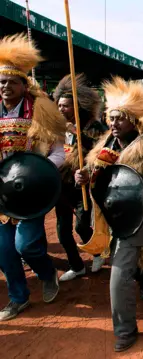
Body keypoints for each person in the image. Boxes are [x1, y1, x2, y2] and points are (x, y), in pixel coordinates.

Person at [75, 77, 143, 351]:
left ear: (133, 121)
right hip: (110, 217)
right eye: (110, 119)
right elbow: (96, 177)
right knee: (128, 267)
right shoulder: (106, 146)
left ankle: (125, 330)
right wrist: (84, 176)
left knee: (119, 273)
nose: (113, 124)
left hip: (139, 218)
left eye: (119, 119)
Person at [0, 34, 66, 322]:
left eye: (10, 82)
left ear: (23, 85)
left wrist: (38, 174)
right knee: (3, 251)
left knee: (26, 245)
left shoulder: (43, 112)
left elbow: (58, 154)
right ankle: (19, 298)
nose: (4, 87)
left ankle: (47, 273)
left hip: (32, 191)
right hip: (2, 193)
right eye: (1, 82)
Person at [53, 73, 109, 281]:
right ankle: (76, 266)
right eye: (59, 105)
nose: (61, 109)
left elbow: (102, 153)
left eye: (65, 106)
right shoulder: (56, 128)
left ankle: (98, 253)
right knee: (63, 231)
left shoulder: (94, 127)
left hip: (84, 187)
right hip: (61, 186)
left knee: (82, 226)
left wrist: (77, 132)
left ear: (78, 107)